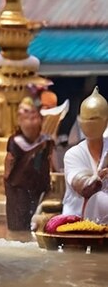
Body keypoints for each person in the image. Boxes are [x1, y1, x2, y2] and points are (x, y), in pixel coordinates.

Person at [4, 94, 55, 231]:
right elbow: (9, 165)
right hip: (19, 189)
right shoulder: (15, 142)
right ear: (19, 120)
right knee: (19, 226)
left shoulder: (46, 141)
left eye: (34, 116)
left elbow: (49, 162)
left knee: (39, 221)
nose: (31, 121)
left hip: (38, 187)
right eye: (26, 117)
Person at [62, 87, 108, 222]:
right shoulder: (73, 154)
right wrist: (97, 178)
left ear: (106, 121)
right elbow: (84, 187)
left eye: (95, 119)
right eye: (87, 119)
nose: (90, 124)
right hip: (76, 225)